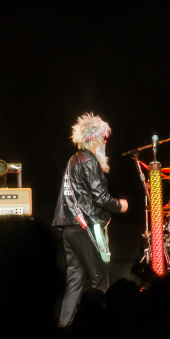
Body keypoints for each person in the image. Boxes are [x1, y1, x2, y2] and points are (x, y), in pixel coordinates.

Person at [53, 113, 128, 327]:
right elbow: (100, 196)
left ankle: (64, 327)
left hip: (68, 226)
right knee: (100, 279)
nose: (106, 140)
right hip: (85, 225)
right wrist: (120, 205)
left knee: (75, 280)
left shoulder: (73, 160)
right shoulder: (89, 161)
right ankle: (99, 327)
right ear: (93, 138)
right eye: (103, 136)